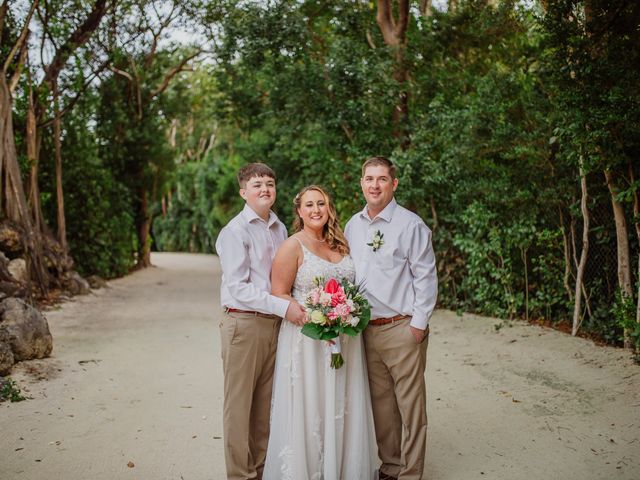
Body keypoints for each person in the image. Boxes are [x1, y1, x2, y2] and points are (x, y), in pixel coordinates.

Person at [263, 185, 378, 480]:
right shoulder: (292, 245)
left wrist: (344, 313)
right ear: (300, 211)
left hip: (346, 338)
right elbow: (279, 293)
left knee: (342, 403)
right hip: (308, 339)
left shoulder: (340, 244)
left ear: (329, 209)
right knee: (313, 406)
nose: (316, 210)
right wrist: (318, 315)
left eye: (321, 204)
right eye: (310, 205)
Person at [345, 157, 438, 480]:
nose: (374, 185)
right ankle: (391, 466)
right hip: (366, 329)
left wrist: (418, 325)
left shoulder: (410, 225)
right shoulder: (352, 225)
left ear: (394, 184)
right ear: (361, 183)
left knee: (410, 407)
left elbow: (426, 278)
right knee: (382, 407)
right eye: (369, 179)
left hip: (402, 327)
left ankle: (411, 473)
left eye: (382, 179)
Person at [216, 163, 307, 480]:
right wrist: (284, 307)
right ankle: (239, 475)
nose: (265, 189)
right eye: (257, 185)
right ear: (243, 192)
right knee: (239, 407)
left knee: (265, 406)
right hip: (244, 324)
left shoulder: (280, 229)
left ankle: (259, 470)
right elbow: (238, 288)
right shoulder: (234, 232)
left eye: (270, 183)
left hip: (274, 326)